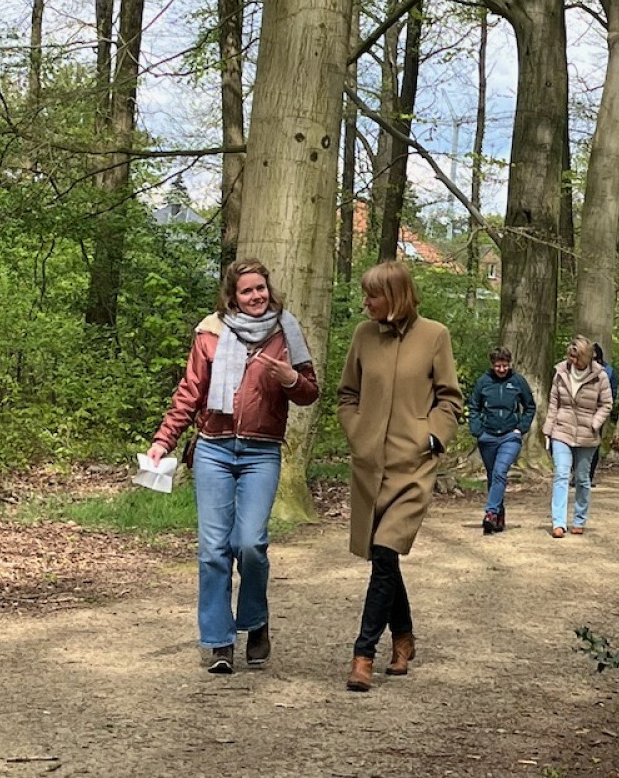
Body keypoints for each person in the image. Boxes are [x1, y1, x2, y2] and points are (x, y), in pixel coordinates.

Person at [147, 259, 320, 675]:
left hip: (262, 452)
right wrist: (161, 441)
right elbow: (189, 393)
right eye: (247, 291)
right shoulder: (210, 333)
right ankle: (220, 641)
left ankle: (256, 622)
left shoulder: (286, 331)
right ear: (232, 297)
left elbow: (311, 392)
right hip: (214, 449)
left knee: (250, 544)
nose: (257, 296)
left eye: (261, 288)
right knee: (212, 550)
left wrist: (290, 379)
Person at [337, 261, 463, 692]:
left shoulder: (435, 336)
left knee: (387, 554)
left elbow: (450, 400)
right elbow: (347, 395)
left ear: (396, 296)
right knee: (383, 560)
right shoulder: (362, 336)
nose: (365, 302)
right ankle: (404, 639)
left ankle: (363, 654)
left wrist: (431, 437)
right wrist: (358, 432)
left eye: (373, 295)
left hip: (413, 468)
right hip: (370, 468)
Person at [542, 336, 613, 538]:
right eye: (570, 356)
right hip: (561, 431)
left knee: (582, 479)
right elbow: (553, 402)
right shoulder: (560, 373)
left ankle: (579, 519)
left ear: (587, 357)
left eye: (577, 357)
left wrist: (595, 423)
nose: (572, 361)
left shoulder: (600, 376)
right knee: (561, 474)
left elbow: (607, 404)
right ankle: (558, 522)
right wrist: (548, 430)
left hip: (587, 435)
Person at [468, 346, 536, 535]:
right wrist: (477, 431)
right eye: (498, 366)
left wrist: (520, 429)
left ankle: (490, 514)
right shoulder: (483, 382)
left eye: (505, 365)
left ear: (509, 364)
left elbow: (530, 406)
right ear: (492, 365)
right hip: (487, 436)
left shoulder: (517, 382)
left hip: (509, 436)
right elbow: (474, 407)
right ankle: (499, 516)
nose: (501, 369)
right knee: (493, 477)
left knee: (500, 472)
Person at [587, 342, 618, 488]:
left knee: (594, 443)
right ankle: (576, 474)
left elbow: (612, 393)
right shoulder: (578, 369)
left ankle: (589, 476)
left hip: (597, 412)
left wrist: (603, 411)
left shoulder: (608, 371)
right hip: (579, 411)